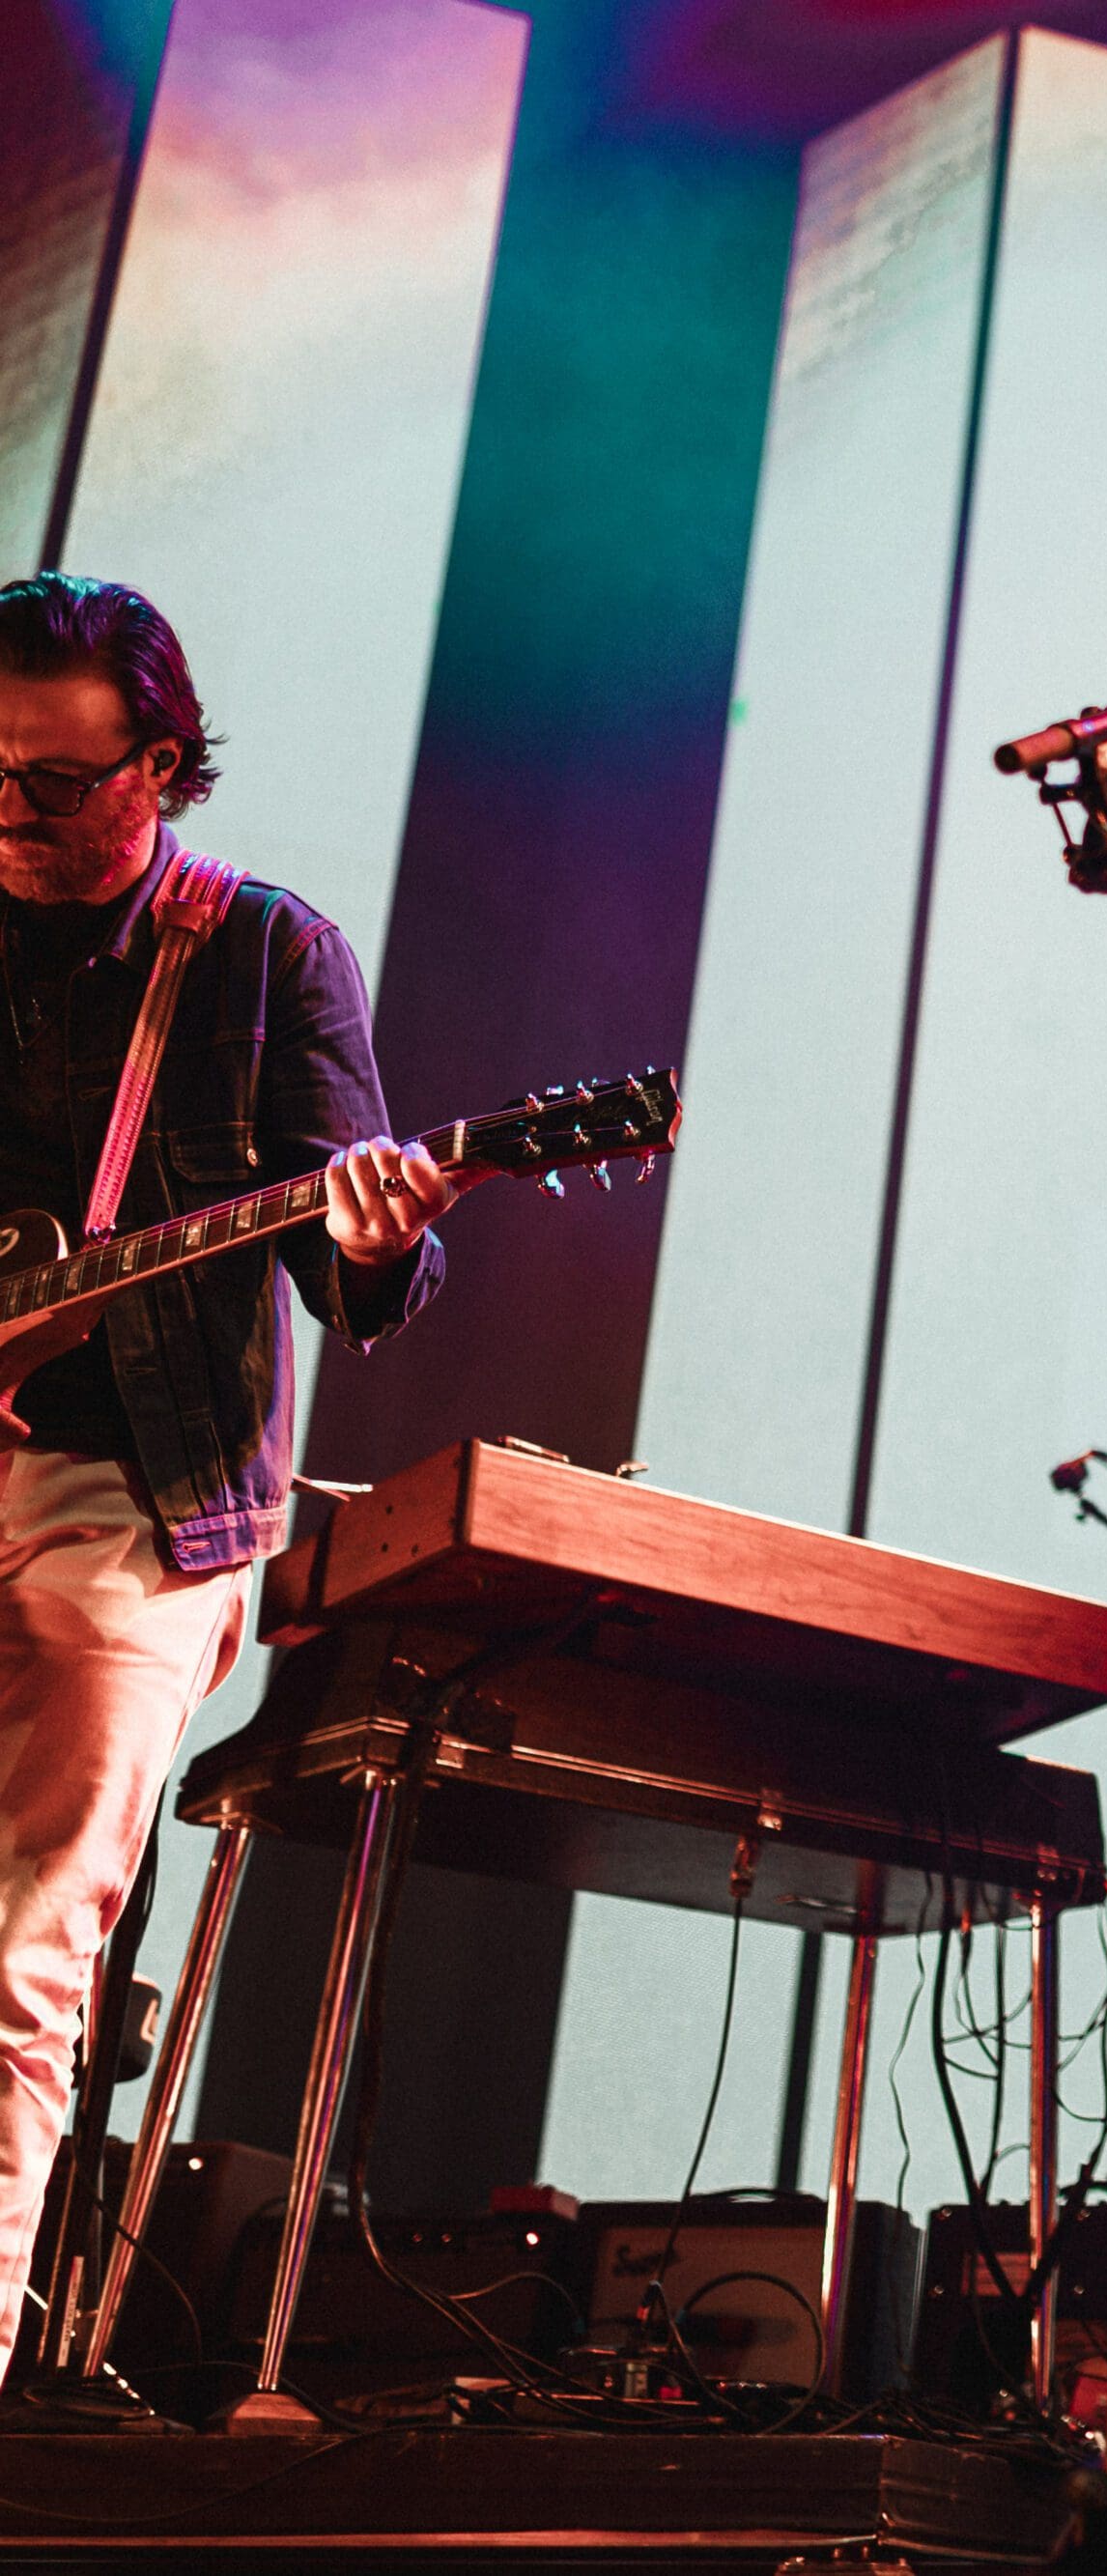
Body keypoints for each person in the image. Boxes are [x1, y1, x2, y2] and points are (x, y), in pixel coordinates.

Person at [0, 576, 454, 2376]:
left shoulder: (263, 956)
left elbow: (368, 1288)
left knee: (27, 1943)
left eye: (46, 779)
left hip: (137, 1505)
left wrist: (383, 1225)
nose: (7, 813)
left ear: (158, 765)